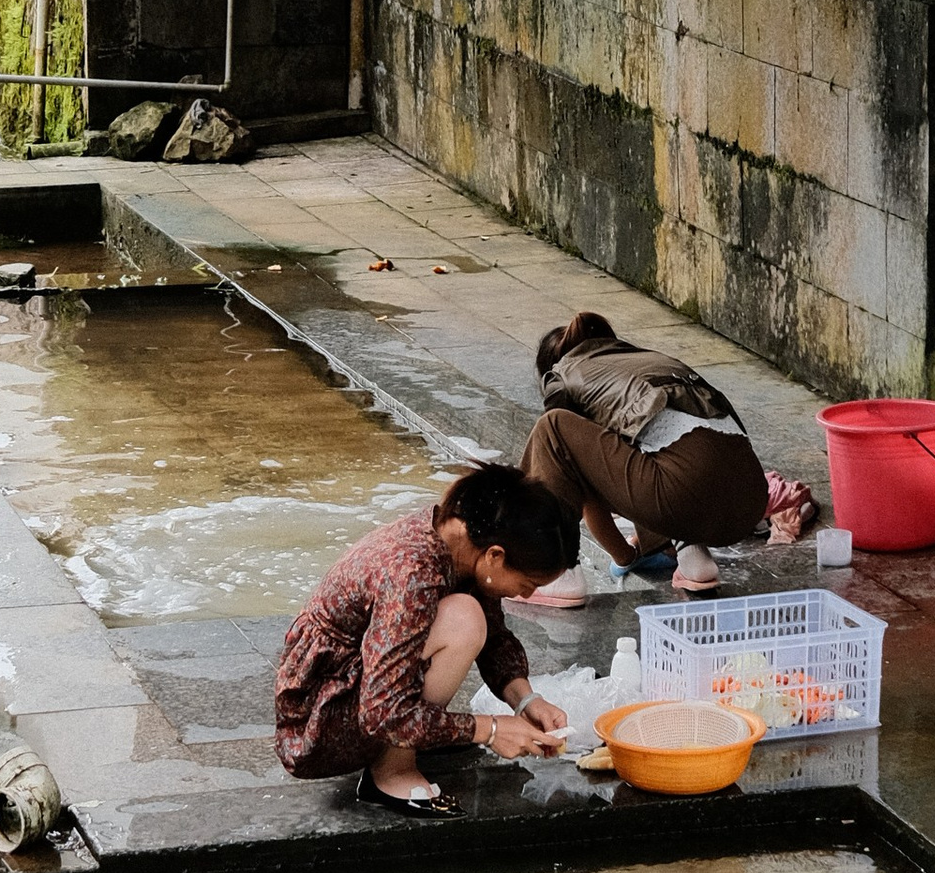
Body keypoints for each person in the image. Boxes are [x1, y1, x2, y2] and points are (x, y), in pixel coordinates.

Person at [274, 462, 577, 815]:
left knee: (472, 614)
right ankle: (392, 771)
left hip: (360, 691)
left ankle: (413, 742)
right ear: (496, 556)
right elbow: (382, 713)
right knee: (463, 618)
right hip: (320, 724)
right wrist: (491, 730)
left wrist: (527, 702)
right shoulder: (412, 575)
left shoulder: (463, 538)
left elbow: (495, 638)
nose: (526, 596)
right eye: (529, 585)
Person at [517, 310, 769, 606]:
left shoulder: (563, 373)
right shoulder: (647, 359)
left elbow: (567, 470)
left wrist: (622, 556)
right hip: (749, 502)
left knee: (553, 430)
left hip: (681, 492)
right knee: (658, 448)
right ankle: (693, 558)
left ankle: (560, 574)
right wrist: (627, 557)